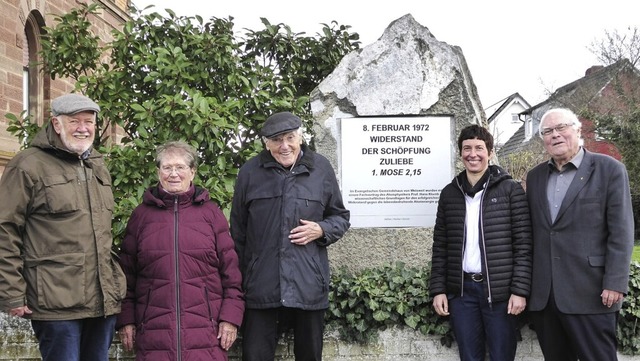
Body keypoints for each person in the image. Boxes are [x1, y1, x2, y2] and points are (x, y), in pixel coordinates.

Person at [0, 93, 126, 361]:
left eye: (89, 121)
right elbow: (5, 229)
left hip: (100, 302)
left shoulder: (97, 165)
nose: (83, 128)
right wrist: (11, 292)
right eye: (74, 121)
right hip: (55, 303)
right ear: (56, 124)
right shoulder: (28, 165)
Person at [230, 111, 350, 361]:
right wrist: (243, 279)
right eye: (276, 140)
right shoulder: (250, 172)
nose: (284, 146)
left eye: (289, 138)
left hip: (308, 285)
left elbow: (340, 217)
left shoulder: (321, 168)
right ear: (266, 143)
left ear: (300, 137)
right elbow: (238, 233)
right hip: (261, 286)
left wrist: (322, 229)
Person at [116, 141, 244, 360]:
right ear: (158, 172)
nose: (173, 174)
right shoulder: (141, 217)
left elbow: (231, 275)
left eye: (180, 167)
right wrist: (126, 319)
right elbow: (126, 275)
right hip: (153, 334)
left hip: (206, 333)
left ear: (192, 172)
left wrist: (230, 318)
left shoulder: (211, 215)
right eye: (167, 167)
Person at [526, 108, 634, 361]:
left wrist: (615, 282)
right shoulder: (535, 177)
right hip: (546, 297)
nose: (555, 135)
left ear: (577, 129)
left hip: (592, 292)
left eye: (561, 128)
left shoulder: (609, 170)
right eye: (548, 131)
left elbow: (621, 231)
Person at [429, 124, 532, 361]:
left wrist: (519, 290)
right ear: (460, 153)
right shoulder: (449, 194)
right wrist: (439, 290)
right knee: (469, 357)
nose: (472, 154)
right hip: (463, 293)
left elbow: (524, 245)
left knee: (501, 356)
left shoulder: (510, 190)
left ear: (490, 152)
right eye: (467, 148)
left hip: (500, 293)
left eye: (479, 148)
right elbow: (441, 246)